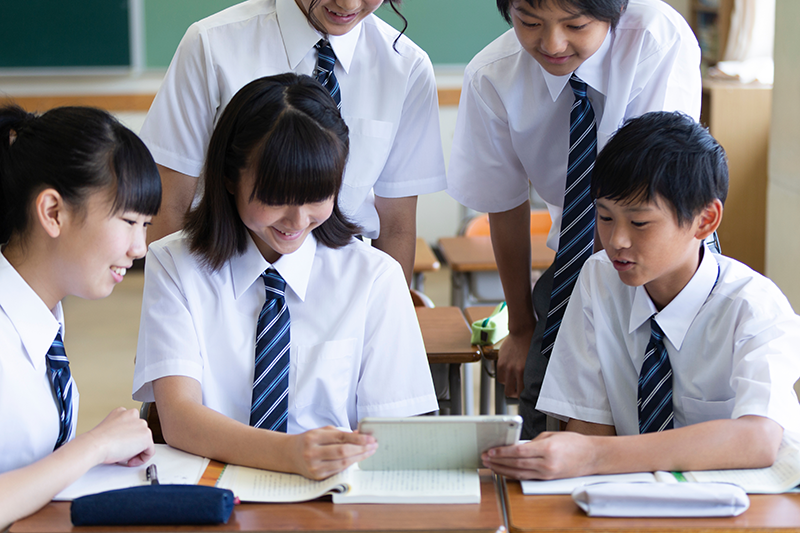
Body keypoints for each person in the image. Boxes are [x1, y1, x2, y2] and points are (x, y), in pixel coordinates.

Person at [132, 74, 438, 481]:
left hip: (332, 493)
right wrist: (289, 453)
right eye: (275, 199)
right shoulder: (174, 265)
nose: (296, 221)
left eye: (316, 197)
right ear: (229, 178)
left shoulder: (375, 277)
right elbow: (180, 418)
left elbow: (397, 433)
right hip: (215, 485)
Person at [481, 111, 800, 480]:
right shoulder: (599, 279)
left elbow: (757, 439)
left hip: (746, 510)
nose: (616, 241)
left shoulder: (753, 306)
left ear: (705, 220)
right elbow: (589, 428)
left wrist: (595, 456)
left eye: (639, 223)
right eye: (604, 217)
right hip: (632, 501)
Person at [446, 0, 703, 439]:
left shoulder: (656, 39)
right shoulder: (493, 75)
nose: (552, 43)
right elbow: (504, 206)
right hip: (575, 263)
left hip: (665, 261)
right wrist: (523, 327)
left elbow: (653, 192)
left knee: (659, 413)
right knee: (542, 407)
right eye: (529, 22)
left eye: (575, 24)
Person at [138, 0, 446, 285]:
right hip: (221, 274)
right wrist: (179, 300)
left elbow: (396, 225)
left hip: (341, 285)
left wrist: (389, 316)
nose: (348, 4)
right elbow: (171, 204)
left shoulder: (407, 67)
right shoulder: (212, 43)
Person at [0, 105, 159, 529]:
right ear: (53, 212)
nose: (139, 247)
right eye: (128, 221)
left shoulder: (42, 315)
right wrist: (94, 446)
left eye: (145, 225)